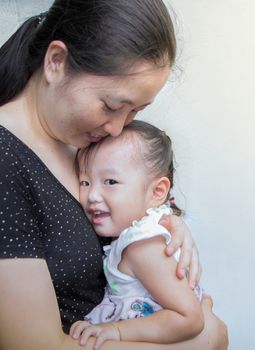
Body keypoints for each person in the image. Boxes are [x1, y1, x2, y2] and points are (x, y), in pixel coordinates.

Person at [0, 1, 228, 349]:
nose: (118, 127)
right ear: (56, 62)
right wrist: (201, 342)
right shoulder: (6, 161)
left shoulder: (86, 147)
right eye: (111, 106)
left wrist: (162, 224)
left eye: (135, 111)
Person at [70, 120, 204, 350]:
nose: (92, 195)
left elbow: (189, 318)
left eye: (110, 181)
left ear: (157, 192)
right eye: (85, 182)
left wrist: (116, 331)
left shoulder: (142, 246)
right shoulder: (142, 230)